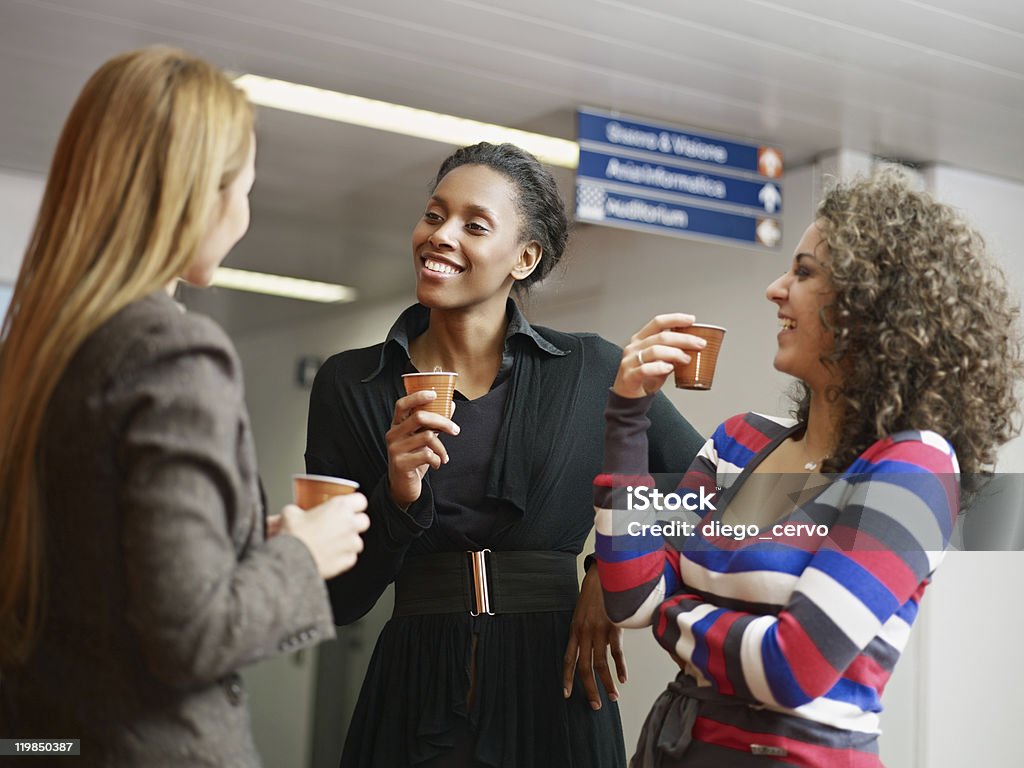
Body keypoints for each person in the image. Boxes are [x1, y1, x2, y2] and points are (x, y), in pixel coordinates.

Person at [0, 47, 370, 766]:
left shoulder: (33, 352)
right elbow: (188, 635)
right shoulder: (173, 352)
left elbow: (96, 569)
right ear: (198, 191)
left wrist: (244, 550)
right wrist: (302, 555)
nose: (242, 213)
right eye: (244, 188)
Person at [594, 167, 1023, 767]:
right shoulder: (738, 444)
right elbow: (629, 597)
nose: (775, 289)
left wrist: (673, 610)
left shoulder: (915, 468)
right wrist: (627, 418)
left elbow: (789, 668)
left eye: (803, 272)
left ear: (871, 303)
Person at [304, 142, 704, 767]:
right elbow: (337, 598)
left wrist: (607, 569)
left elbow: (707, 494)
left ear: (525, 257)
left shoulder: (592, 369)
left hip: (558, 684)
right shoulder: (349, 385)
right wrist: (398, 496)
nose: (441, 236)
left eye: (474, 224)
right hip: (412, 687)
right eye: (434, 215)